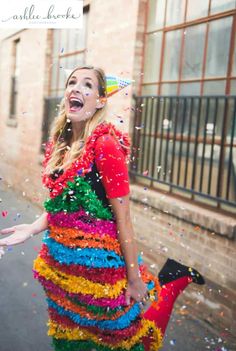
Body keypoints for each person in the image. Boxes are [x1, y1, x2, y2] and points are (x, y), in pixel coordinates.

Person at [0, 65, 205, 351]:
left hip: (101, 274)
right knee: (70, 342)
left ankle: (172, 282)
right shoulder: (62, 144)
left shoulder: (106, 145)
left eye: (87, 85)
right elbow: (64, 206)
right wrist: (33, 228)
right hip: (62, 270)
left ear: (99, 100)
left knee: (128, 343)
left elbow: (125, 219)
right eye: (72, 82)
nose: (76, 88)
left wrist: (134, 280)